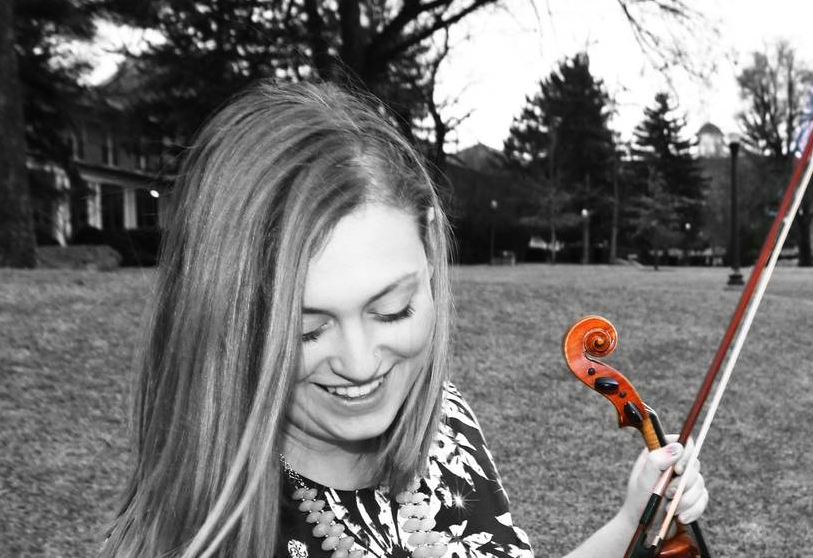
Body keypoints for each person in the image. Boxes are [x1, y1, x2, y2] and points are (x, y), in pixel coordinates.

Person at [100, 81, 708, 558]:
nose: (363, 365)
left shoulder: (443, 418)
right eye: (306, 330)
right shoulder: (212, 536)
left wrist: (631, 523)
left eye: (393, 310)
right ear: (226, 325)